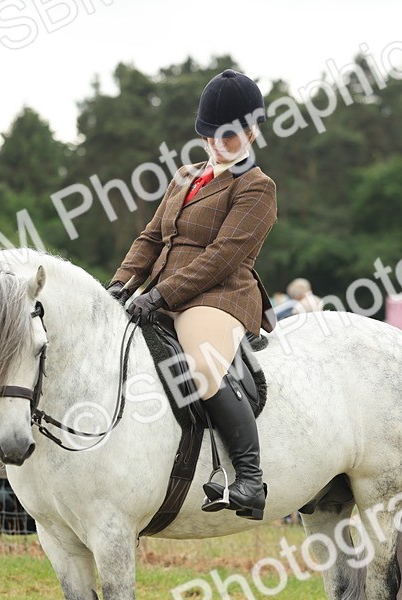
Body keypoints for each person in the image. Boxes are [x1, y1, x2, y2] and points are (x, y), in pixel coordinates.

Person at [107, 69, 278, 520]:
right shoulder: (185, 176)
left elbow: (222, 257)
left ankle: (249, 478)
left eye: (232, 135)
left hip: (218, 296)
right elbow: (149, 238)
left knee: (202, 361)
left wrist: (159, 295)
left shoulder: (256, 187)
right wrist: (120, 285)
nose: (220, 144)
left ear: (252, 131)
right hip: (162, 292)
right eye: (212, 134)